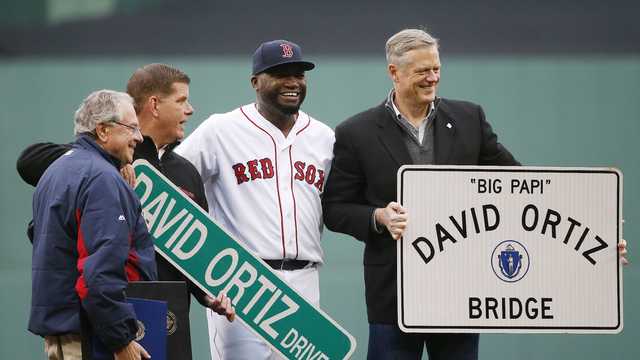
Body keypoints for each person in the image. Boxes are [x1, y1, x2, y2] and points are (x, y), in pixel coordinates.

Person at [322, 28, 630, 360]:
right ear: (394, 73)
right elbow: (336, 208)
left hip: (462, 292)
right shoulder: (356, 132)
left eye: (436, 68)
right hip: (392, 297)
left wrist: (597, 234)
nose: (432, 78)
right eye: (422, 71)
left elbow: (524, 187)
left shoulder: (469, 118)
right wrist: (378, 217)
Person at [17, 64, 236, 322]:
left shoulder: (186, 172)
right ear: (154, 105)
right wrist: (112, 166)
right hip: (115, 311)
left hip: (171, 318)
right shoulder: (106, 158)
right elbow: (29, 161)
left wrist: (206, 295)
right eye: (181, 101)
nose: (190, 110)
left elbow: (196, 255)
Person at [174, 39, 334, 359]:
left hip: (305, 281)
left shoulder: (324, 136)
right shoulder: (221, 129)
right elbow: (173, 180)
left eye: (299, 74)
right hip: (243, 281)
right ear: (255, 82)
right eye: (280, 73)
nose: (292, 82)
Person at [30, 90, 157, 360]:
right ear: (102, 130)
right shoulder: (101, 179)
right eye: (131, 128)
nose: (139, 137)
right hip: (95, 338)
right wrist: (121, 340)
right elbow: (98, 274)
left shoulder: (57, 170)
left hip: (67, 334)